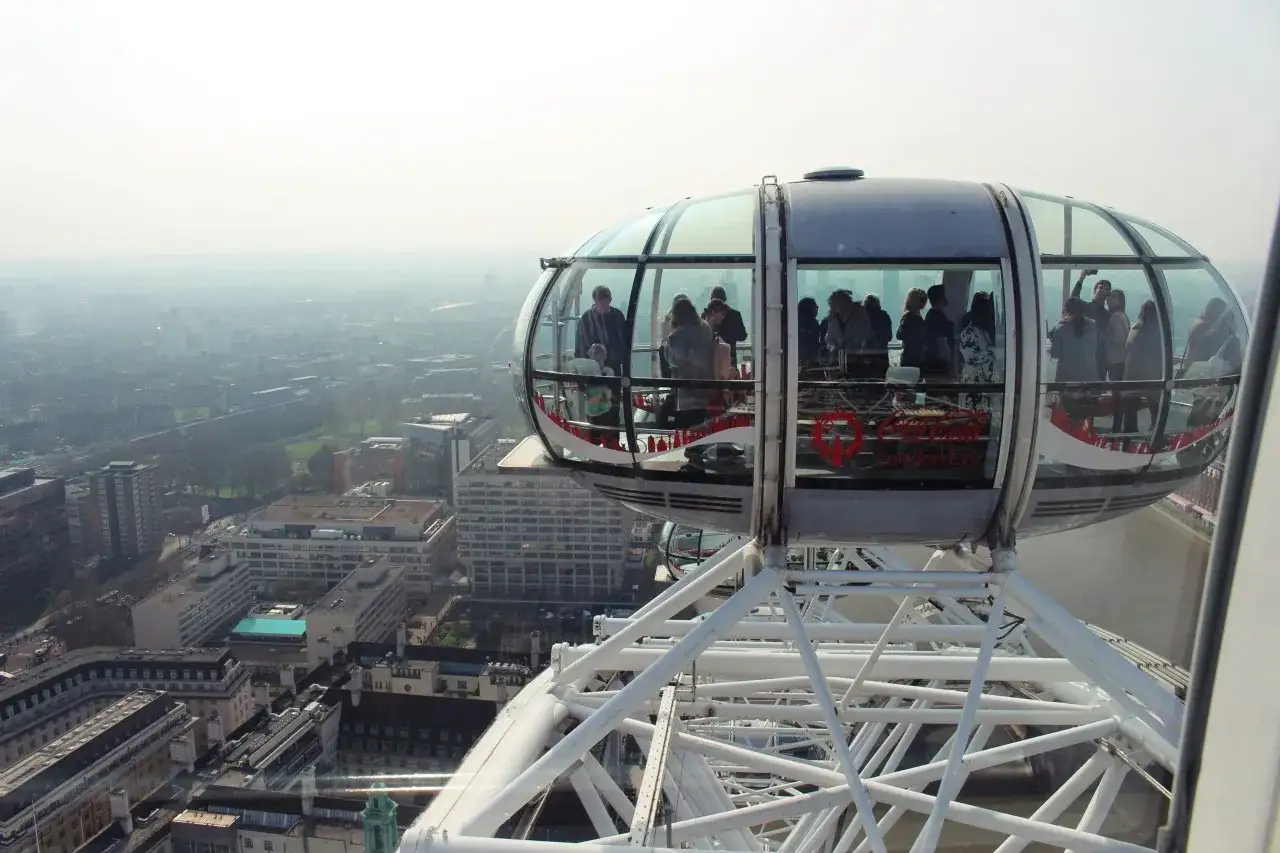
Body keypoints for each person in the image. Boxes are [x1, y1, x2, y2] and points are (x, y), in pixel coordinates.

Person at [663, 296, 718, 429]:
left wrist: (666, 349)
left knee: (687, 432)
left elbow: (677, 361)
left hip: (688, 391)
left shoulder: (676, 336)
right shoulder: (705, 328)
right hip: (708, 386)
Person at [1122, 300, 1161, 435]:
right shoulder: (1158, 331)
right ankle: (1155, 430)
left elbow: (1128, 348)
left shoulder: (1134, 328)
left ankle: (1129, 434)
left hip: (1132, 373)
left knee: (1130, 406)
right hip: (1151, 374)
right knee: (1155, 403)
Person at [574, 284, 627, 376]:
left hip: (613, 365)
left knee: (614, 389)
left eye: (605, 302)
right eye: (600, 302)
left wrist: (622, 358)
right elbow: (580, 343)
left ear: (610, 300)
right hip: (591, 367)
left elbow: (624, 339)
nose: (603, 306)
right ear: (595, 301)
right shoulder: (587, 318)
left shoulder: (617, 316)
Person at [957, 292, 997, 411]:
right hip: (973, 382)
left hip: (984, 383)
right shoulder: (968, 333)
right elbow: (971, 358)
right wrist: (993, 352)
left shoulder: (984, 332)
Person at [1069, 270, 1112, 378]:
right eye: (1101, 287)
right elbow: (1073, 299)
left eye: (1107, 289)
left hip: (1099, 359)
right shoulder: (1085, 307)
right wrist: (1081, 279)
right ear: (1095, 290)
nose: (1103, 290)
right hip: (1081, 355)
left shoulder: (1108, 316)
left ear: (1108, 294)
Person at [708, 285, 748, 365]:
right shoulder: (735, 315)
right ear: (725, 299)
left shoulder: (707, 315)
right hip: (730, 359)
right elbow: (743, 336)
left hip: (711, 359)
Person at [922, 284, 955, 378]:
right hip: (939, 361)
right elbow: (943, 342)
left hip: (932, 358)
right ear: (941, 298)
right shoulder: (940, 319)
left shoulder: (930, 316)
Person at [897, 287, 928, 370]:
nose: (925, 302)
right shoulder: (911, 317)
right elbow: (899, 335)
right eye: (923, 299)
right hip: (912, 357)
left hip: (911, 355)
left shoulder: (909, 316)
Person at [862, 294, 892, 378]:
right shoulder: (884, 316)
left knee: (866, 384)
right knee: (881, 383)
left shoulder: (862, 317)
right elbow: (889, 336)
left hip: (865, 357)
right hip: (882, 356)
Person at [797, 297, 823, 368]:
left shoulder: (795, 321)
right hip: (807, 358)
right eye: (815, 307)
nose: (817, 309)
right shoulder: (810, 323)